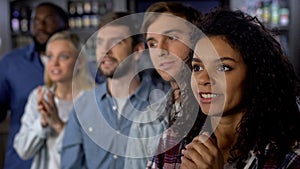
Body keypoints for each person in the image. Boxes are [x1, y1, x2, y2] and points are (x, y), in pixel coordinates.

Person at [181, 8, 300, 169]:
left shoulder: (289, 156)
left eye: (223, 68)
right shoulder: (173, 143)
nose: (203, 79)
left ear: (256, 74)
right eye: (197, 68)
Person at [61, 12, 160, 169]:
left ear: (138, 51)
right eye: (100, 42)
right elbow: (71, 165)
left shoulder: (160, 104)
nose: (105, 51)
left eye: (116, 42)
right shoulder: (83, 105)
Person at [125, 2, 205, 169]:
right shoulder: (144, 122)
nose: (160, 50)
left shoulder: (221, 112)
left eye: (171, 38)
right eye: (152, 43)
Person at [0, 2, 68, 169]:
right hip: (21, 161)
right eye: (35, 21)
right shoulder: (11, 63)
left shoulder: (80, 67)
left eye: (48, 20)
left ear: (65, 25)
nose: (40, 27)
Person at [13, 31, 93, 169]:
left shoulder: (95, 100)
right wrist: (42, 122)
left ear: (79, 62)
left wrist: (58, 124)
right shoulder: (38, 97)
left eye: (63, 57)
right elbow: (23, 151)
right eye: (50, 57)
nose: (54, 63)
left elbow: (92, 156)